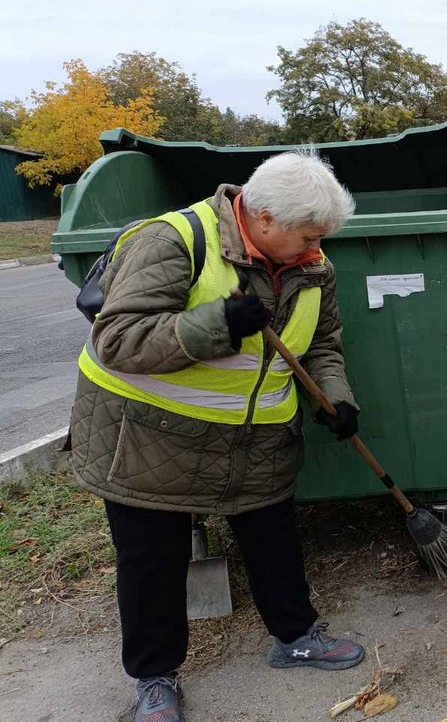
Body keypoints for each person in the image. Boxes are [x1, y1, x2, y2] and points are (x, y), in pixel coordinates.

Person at [69, 150, 366, 722]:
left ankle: (296, 636)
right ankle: (155, 680)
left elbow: (322, 342)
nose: (316, 250)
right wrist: (217, 327)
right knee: (152, 561)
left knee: (274, 541)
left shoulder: (311, 267)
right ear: (264, 218)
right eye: (308, 236)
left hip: (252, 442)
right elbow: (120, 339)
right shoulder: (173, 241)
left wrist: (337, 397)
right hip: (149, 441)